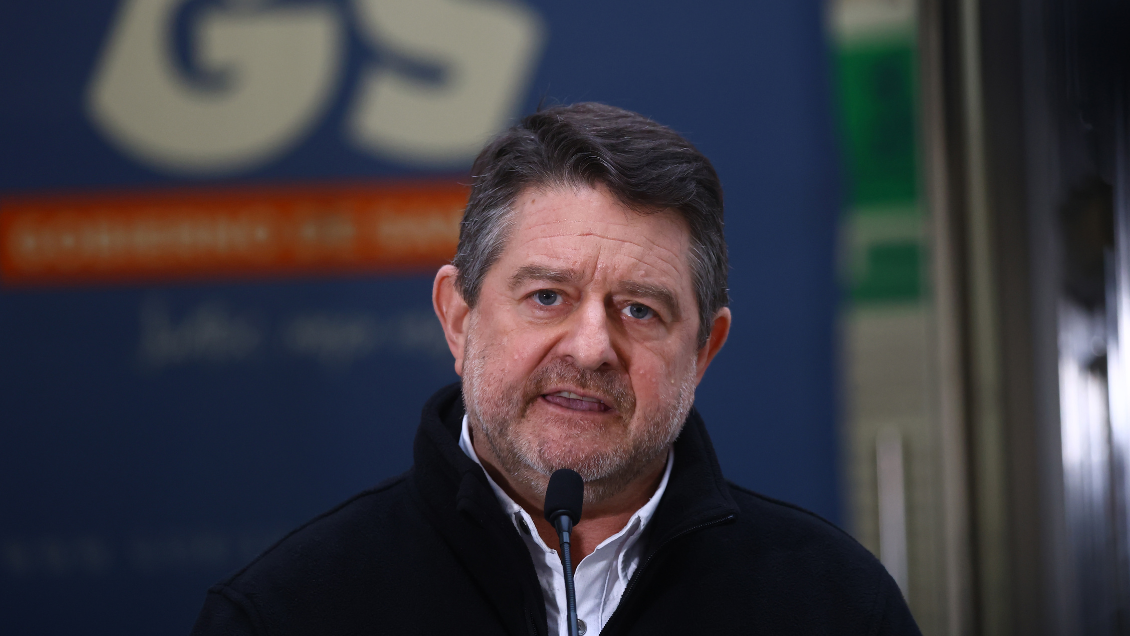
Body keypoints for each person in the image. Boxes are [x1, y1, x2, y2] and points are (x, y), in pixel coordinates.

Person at [190, 103, 921, 636]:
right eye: (548, 297)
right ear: (459, 317)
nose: (591, 348)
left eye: (640, 309)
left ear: (704, 352)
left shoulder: (838, 606)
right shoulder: (284, 612)